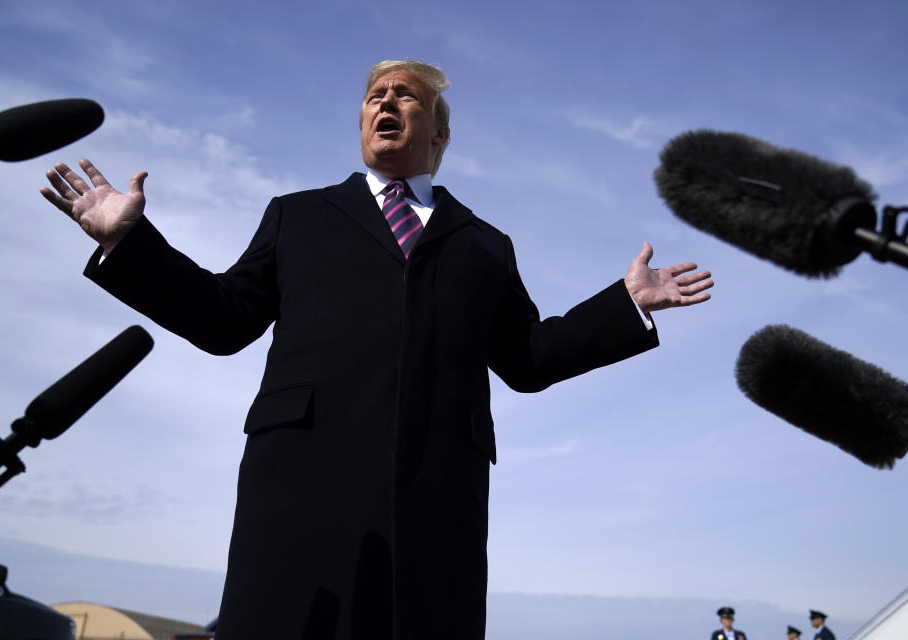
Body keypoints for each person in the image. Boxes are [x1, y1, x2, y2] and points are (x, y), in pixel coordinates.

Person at [39, 60, 713, 640]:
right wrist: (132, 245)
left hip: (435, 501)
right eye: (374, 96)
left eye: (405, 95)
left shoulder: (485, 244)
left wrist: (624, 306)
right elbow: (223, 321)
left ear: (440, 132)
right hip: (299, 491)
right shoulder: (296, 216)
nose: (385, 102)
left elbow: (528, 360)